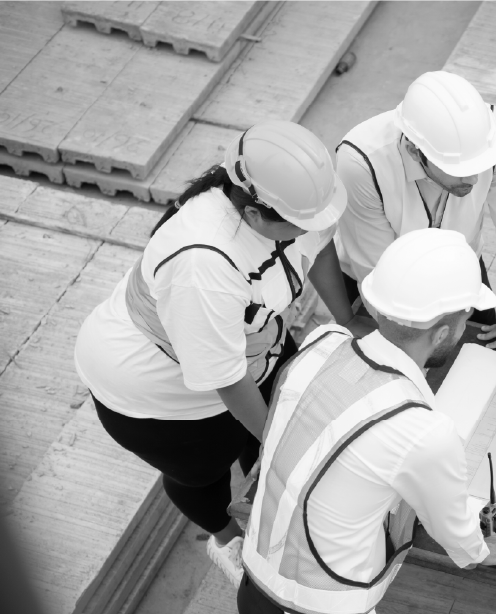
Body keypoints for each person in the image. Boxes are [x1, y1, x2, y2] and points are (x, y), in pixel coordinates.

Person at [234, 228, 496, 614]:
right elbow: (458, 538)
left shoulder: (323, 345)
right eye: (465, 317)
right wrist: (488, 549)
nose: (466, 327)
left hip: (259, 583)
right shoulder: (421, 430)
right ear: (442, 332)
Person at [75, 121, 363, 582]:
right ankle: (228, 539)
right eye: (304, 221)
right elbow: (227, 379)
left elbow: (319, 244)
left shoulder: (291, 198)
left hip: (250, 346)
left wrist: (346, 317)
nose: (319, 224)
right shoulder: (202, 261)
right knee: (205, 470)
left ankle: (277, 516)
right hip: (160, 398)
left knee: (269, 437)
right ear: (254, 215)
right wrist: (282, 440)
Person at [336, 70, 496, 388]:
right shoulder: (360, 163)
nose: (475, 181)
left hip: (461, 269)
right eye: (459, 171)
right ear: (414, 151)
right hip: (380, 283)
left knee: (472, 379)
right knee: (394, 383)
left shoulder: (495, 135)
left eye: (479, 166)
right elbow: (381, 276)